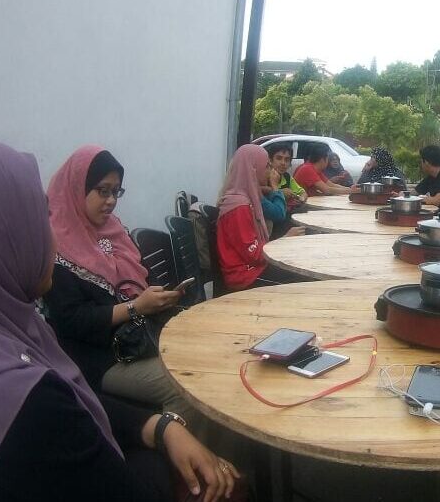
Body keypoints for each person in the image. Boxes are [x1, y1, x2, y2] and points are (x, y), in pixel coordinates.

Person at [0, 141, 237, 502]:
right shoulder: (23, 401)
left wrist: (158, 427)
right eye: (37, 219)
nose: (51, 237)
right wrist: (162, 456)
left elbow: (70, 406)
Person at [42, 146, 219, 447]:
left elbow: (133, 285)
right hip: (96, 356)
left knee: (204, 357)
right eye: (102, 191)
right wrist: (136, 307)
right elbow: (70, 320)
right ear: (76, 188)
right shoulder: (56, 244)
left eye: (116, 192)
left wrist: (157, 299)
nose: (111, 200)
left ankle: (207, 451)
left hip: (136, 339)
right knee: (184, 385)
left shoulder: (112, 232)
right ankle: (182, 464)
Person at [216, 144, 301, 291]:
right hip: (245, 276)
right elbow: (254, 255)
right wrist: (284, 239)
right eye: (267, 166)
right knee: (300, 277)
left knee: (296, 264)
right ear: (253, 169)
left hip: (253, 268)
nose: (269, 171)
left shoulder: (246, 197)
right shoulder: (239, 206)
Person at [264, 142, 307, 212]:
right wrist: (281, 192)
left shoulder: (287, 177)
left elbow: (303, 193)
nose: (283, 163)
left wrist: (300, 200)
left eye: (287, 160)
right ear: (270, 160)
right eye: (279, 158)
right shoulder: (263, 177)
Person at [414, 145, 440, 212]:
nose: (420, 164)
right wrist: (401, 195)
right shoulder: (430, 177)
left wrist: (417, 199)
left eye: (421, 161)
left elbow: (436, 201)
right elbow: (415, 192)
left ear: (426, 162)